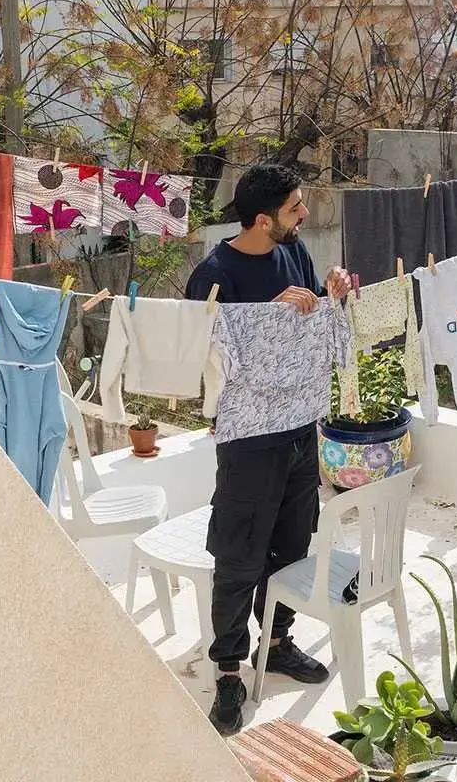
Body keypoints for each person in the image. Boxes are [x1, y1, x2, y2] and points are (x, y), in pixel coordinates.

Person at [185, 163, 352, 735]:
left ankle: (276, 642)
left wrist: (330, 295)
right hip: (248, 442)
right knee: (238, 559)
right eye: (295, 208)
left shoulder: (297, 253)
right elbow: (201, 353)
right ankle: (228, 672)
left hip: (300, 430)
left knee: (289, 547)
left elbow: (310, 329)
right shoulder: (214, 275)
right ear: (263, 219)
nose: (304, 215)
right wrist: (272, 312)